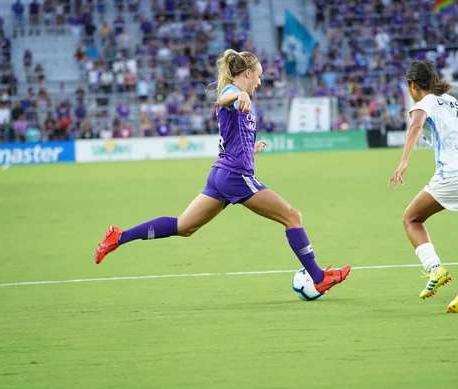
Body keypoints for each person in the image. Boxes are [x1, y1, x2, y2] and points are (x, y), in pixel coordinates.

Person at [94, 49, 351, 295]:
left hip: (222, 175)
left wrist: (251, 150)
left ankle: (119, 237)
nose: (259, 82)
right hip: (234, 176)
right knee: (292, 217)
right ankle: (318, 278)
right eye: (258, 76)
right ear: (247, 73)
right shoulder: (233, 93)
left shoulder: (242, 101)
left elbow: (232, 138)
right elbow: (224, 96)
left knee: (184, 226)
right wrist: (238, 96)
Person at [388, 60, 458, 313]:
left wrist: (403, 160)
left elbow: (415, 126)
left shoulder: (423, 103)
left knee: (411, 219)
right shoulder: (451, 100)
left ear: (412, 85)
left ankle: (434, 268)